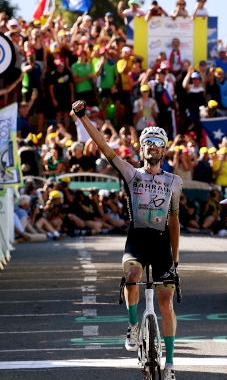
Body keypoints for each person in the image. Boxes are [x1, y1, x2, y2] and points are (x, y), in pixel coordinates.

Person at [71, 100, 181, 380]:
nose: (152, 146)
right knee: (132, 274)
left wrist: (176, 257)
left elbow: (174, 221)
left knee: (166, 301)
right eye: (148, 142)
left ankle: (169, 364)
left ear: (164, 149)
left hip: (161, 245)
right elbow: (104, 146)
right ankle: (133, 324)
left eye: (158, 142)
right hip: (137, 238)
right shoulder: (131, 174)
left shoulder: (174, 181)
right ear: (141, 149)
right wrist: (83, 117)